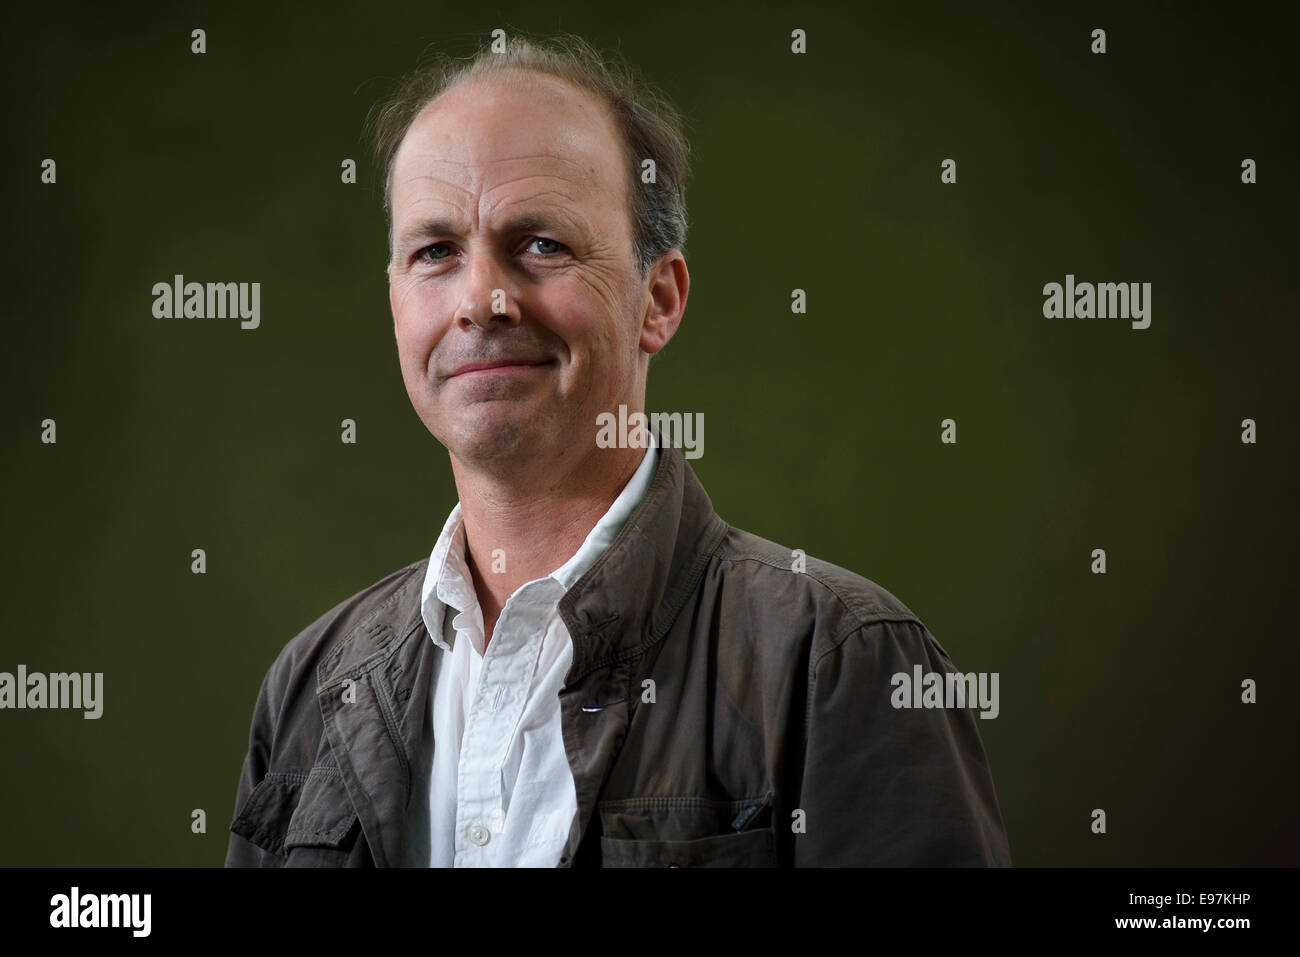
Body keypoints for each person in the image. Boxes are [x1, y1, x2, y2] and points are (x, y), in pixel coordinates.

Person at [224, 32, 1012, 867]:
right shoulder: (311, 686)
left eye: (542, 245)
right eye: (435, 252)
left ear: (658, 301)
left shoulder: (841, 662)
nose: (481, 300)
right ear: (395, 306)